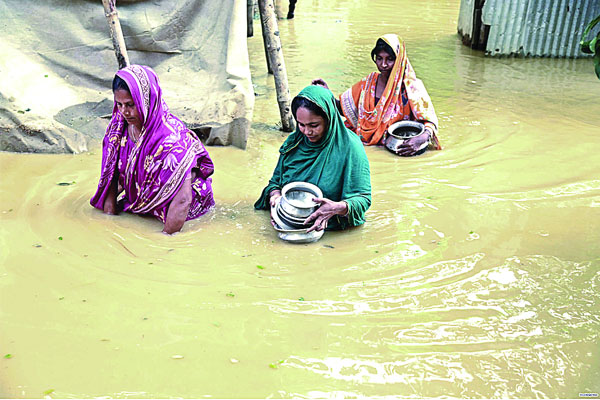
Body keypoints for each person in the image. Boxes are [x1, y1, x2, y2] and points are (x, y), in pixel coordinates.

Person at [90, 65, 215, 234]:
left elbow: (183, 200)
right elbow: (110, 175)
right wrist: (109, 221)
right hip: (141, 203)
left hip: (181, 211)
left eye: (131, 105)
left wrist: (164, 240)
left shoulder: (173, 141)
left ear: (148, 100)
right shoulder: (119, 128)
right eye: (119, 104)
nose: (124, 112)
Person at [254, 85, 371, 232]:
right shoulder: (294, 143)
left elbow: (363, 199)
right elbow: (275, 183)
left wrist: (337, 208)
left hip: (329, 231)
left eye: (314, 125)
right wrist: (275, 198)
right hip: (288, 224)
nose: (307, 132)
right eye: (301, 124)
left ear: (329, 119)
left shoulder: (350, 147)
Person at [312, 34, 441, 156]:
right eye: (379, 58)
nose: (383, 65)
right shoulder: (368, 83)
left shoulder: (411, 87)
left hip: (395, 146)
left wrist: (420, 139)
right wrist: (326, 93)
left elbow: (429, 122)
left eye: (389, 59)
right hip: (362, 142)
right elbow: (345, 110)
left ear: (399, 60)